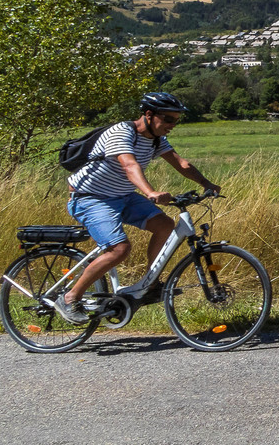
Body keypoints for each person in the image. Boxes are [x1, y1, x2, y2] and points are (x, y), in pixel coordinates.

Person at [48, 92, 220, 323]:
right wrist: (150, 192)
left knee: (165, 226)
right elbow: (129, 165)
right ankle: (70, 298)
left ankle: (150, 284)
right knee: (119, 249)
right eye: (168, 119)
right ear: (148, 114)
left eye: (176, 120)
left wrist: (207, 184)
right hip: (91, 197)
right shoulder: (121, 132)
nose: (172, 125)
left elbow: (180, 163)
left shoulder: (157, 138)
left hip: (122, 195)